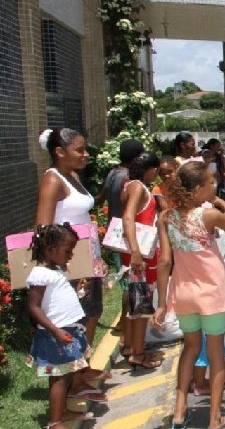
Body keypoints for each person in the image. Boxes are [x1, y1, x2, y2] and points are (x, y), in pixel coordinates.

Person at [154, 161, 225, 429]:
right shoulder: (208, 216)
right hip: (211, 294)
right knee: (216, 353)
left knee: (191, 348)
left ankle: (179, 410)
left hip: (183, 294)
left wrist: (161, 305)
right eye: (210, 182)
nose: (214, 185)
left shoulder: (167, 218)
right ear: (197, 189)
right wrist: (222, 204)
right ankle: (215, 416)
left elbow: (164, 262)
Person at [26, 224, 101, 429]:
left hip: (66, 331)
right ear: (49, 248)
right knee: (58, 379)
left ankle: (63, 412)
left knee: (67, 374)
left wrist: (77, 291)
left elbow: (56, 300)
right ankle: (54, 425)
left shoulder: (55, 270)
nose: (70, 256)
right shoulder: (39, 274)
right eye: (67, 251)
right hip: (54, 336)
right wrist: (55, 331)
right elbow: (34, 307)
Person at [35, 129, 104, 348]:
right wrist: (60, 268)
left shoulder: (73, 176)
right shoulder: (52, 180)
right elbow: (43, 228)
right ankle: (74, 375)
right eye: (79, 150)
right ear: (59, 152)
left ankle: (83, 369)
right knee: (78, 317)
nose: (85, 155)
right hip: (69, 262)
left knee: (92, 311)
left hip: (86, 257)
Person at [95, 139, 145, 338]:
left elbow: (101, 197)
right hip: (124, 236)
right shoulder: (129, 179)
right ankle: (124, 324)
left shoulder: (113, 173)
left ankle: (125, 323)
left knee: (126, 278)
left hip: (113, 233)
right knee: (129, 282)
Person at [120, 152, 163, 370]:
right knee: (142, 306)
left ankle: (129, 346)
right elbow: (129, 216)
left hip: (137, 253)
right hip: (141, 255)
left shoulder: (128, 185)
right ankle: (137, 353)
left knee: (134, 302)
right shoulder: (138, 187)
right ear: (151, 169)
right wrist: (136, 251)